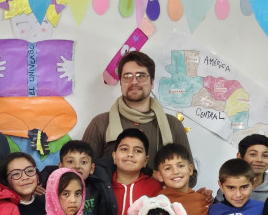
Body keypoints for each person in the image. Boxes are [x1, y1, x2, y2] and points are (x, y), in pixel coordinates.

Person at [82, 51, 195, 185]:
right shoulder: (101, 123)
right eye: (127, 76)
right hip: (111, 204)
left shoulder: (173, 125)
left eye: (141, 76)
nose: (134, 81)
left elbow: (191, 178)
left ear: (152, 82)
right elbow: (82, 174)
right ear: (121, 83)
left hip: (160, 203)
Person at [39, 141, 116, 215]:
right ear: (60, 166)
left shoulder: (98, 187)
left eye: (83, 162)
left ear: (92, 168)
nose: (77, 166)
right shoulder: (48, 190)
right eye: (71, 162)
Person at [103, 128, 161, 215]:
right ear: (114, 156)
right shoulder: (102, 187)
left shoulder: (157, 188)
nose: (130, 154)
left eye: (137, 151)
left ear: (146, 161)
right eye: (124, 149)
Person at [214, 134, 268, 203]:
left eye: (265, 156)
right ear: (240, 157)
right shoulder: (229, 186)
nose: (259, 160)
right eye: (253, 154)